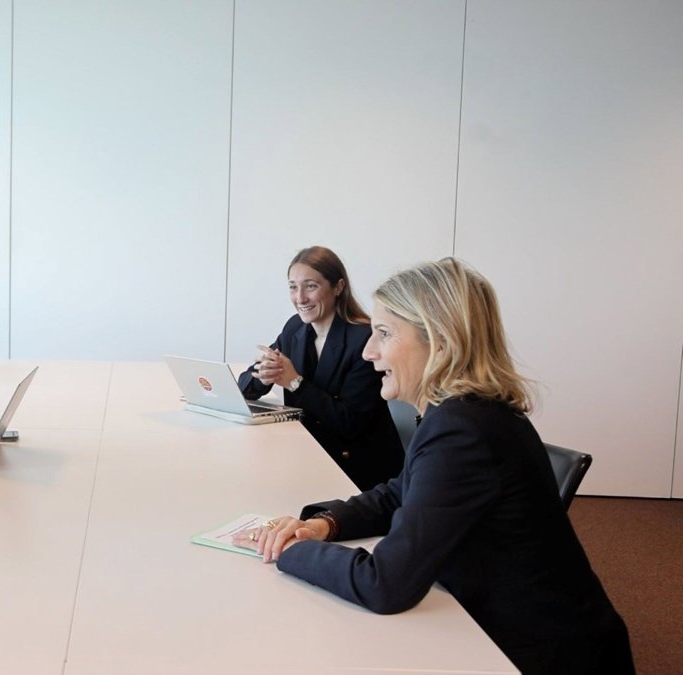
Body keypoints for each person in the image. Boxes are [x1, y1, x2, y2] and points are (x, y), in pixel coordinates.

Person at [233, 258, 633, 675]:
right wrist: (324, 525)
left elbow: (386, 584)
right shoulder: (462, 412)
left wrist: (293, 550)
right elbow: (400, 492)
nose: (368, 351)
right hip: (505, 627)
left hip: (538, 654)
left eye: (384, 333)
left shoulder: (463, 430)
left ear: (439, 341)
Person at [237, 246, 403, 490]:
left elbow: (349, 422)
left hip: (360, 471)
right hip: (308, 454)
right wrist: (263, 376)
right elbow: (244, 387)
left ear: (338, 287)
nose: (300, 298)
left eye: (311, 286)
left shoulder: (364, 340)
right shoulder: (294, 328)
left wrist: (295, 382)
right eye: (293, 287)